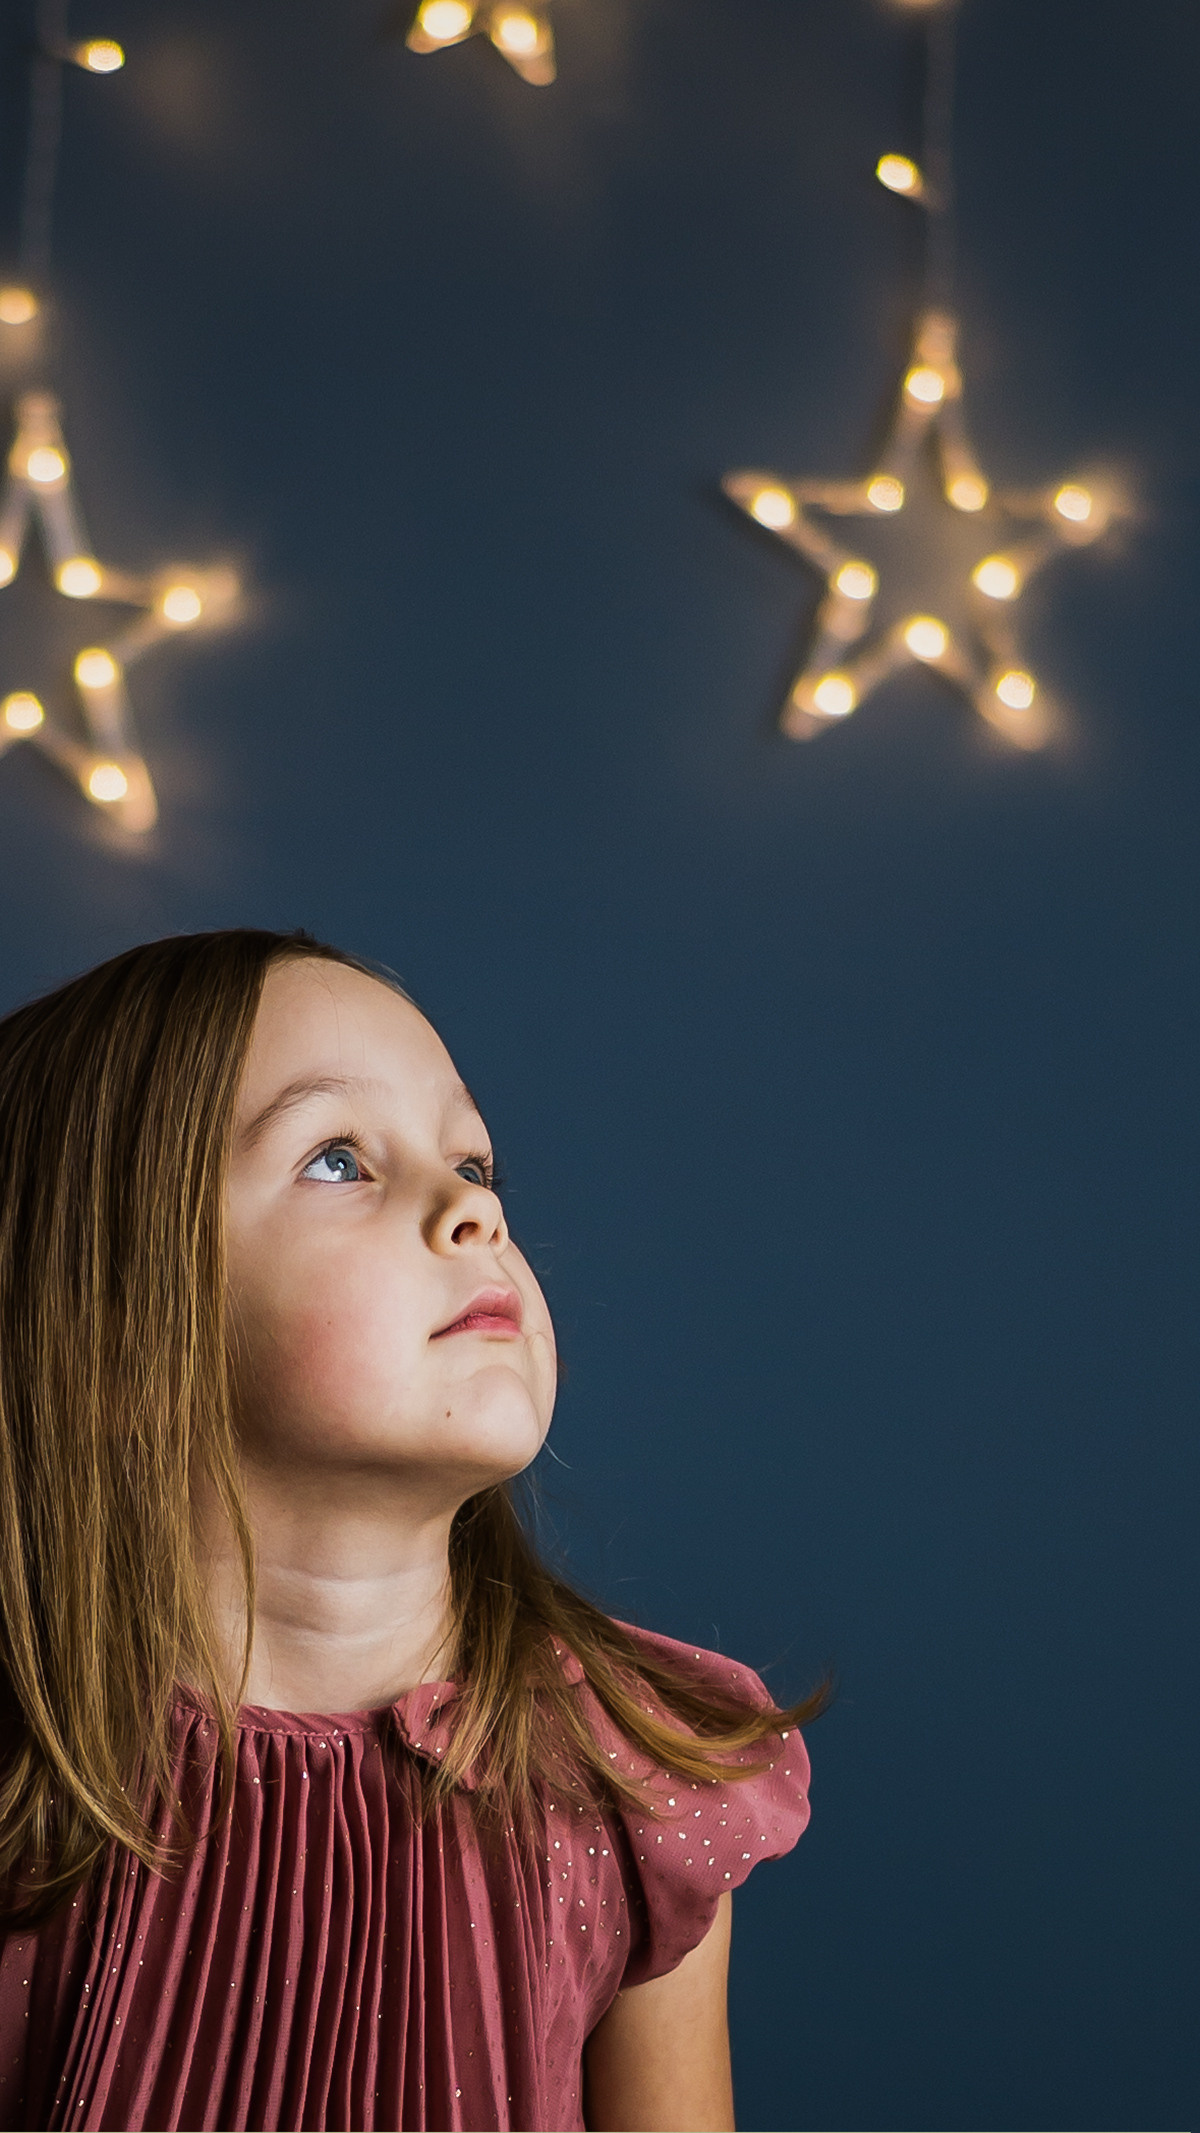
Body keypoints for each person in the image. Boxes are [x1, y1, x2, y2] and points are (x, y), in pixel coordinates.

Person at [0, 928, 830, 2132]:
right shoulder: (30, 1790)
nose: (467, 1214)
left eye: (475, 1166)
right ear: (111, 1343)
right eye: (338, 1159)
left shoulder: (636, 1784)